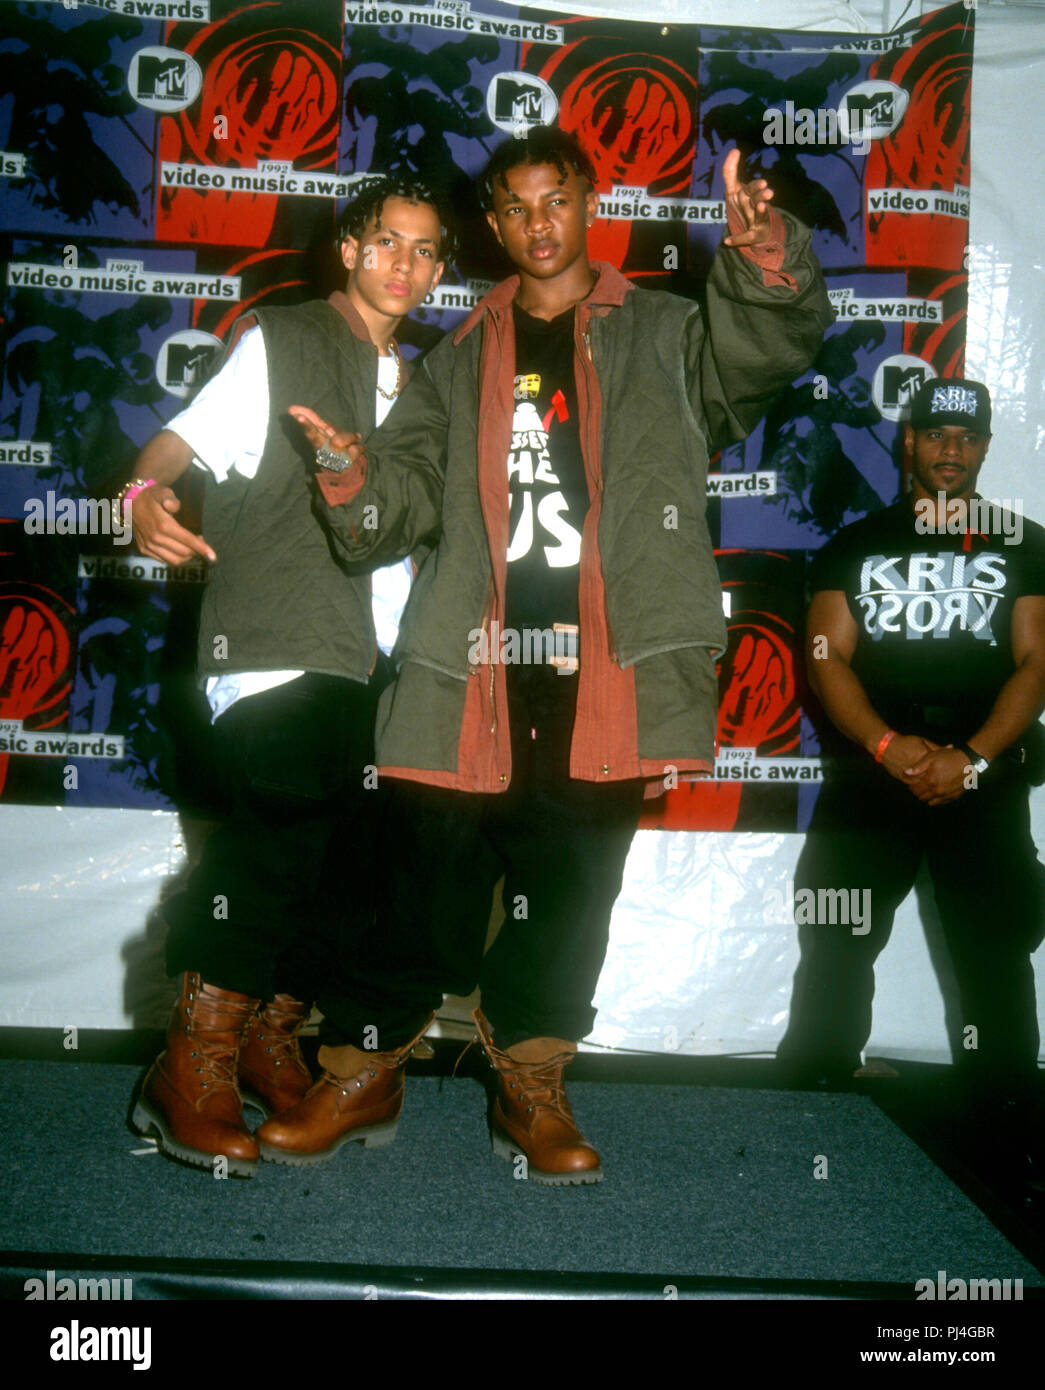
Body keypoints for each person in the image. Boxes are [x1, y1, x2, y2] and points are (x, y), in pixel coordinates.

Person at [268, 125, 833, 1184]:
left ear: (590, 204)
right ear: (493, 223)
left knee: (572, 884)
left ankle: (530, 1081)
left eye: (557, 201)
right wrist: (352, 477)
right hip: (468, 660)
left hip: (608, 664)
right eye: (517, 207)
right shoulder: (459, 354)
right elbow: (404, 502)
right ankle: (362, 1067)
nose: (538, 224)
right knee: (418, 875)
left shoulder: (664, 330)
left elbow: (767, 352)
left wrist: (763, 261)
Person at [126, 176, 453, 1176]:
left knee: (341, 858)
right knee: (280, 832)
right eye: (387, 243)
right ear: (347, 250)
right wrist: (144, 491)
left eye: (426, 249)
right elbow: (181, 440)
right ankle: (192, 1061)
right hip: (273, 634)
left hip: (372, 658)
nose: (405, 264)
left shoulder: (430, 380)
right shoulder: (286, 339)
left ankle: (268, 1033)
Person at [777, 378, 1045, 1131]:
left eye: (966, 438)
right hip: (872, 776)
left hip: (983, 777)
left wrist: (973, 757)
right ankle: (810, 1101)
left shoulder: (1024, 542)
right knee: (834, 937)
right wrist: (888, 745)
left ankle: (1009, 1121)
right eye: (935, 436)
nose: (950, 451)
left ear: (985, 446)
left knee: (994, 949)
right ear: (909, 441)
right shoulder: (854, 544)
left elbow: (1037, 663)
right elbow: (826, 656)